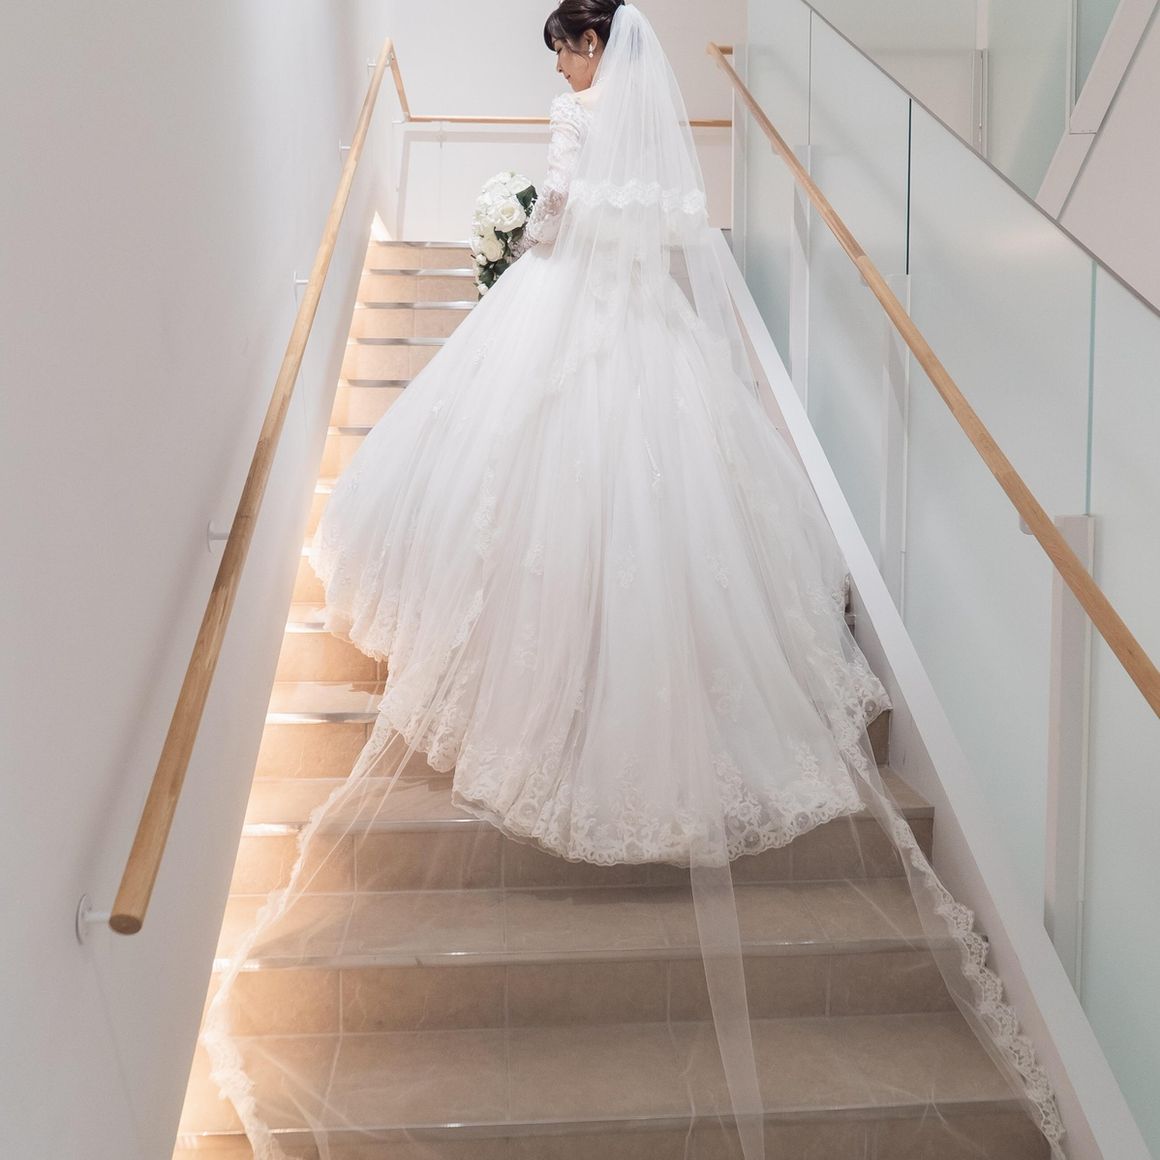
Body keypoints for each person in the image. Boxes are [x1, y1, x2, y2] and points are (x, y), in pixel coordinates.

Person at [202, 5, 1067, 1158]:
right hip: (644, 325)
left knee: (537, 475)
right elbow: (666, 231)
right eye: (563, 51)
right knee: (657, 491)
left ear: (596, 46)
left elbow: (558, 221)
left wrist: (521, 235)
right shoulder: (647, 125)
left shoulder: (576, 118)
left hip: (571, 311)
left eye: (571, 46)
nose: (566, 65)